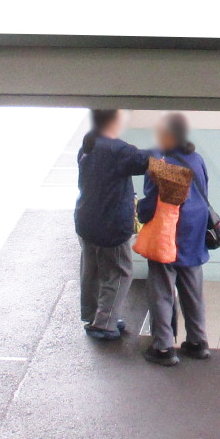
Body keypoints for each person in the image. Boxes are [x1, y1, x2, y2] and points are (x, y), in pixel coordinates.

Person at [139, 112, 215, 366]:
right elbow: (204, 189)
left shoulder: (161, 163)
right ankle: (197, 342)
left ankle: (163, 347)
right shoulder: (196, 158)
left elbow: (150, 204)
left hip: (167, 233)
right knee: (192, 290)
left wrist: (140, 215)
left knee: (161, 290)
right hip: (195, 231)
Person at [75, 108, 151, 339]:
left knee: (92, 271)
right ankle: (104, 324)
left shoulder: (89, 144)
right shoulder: (117, 149)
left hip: (87, 220)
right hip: (111, 224)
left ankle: (92, 315)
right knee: (119, 272)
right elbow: (145, 160)